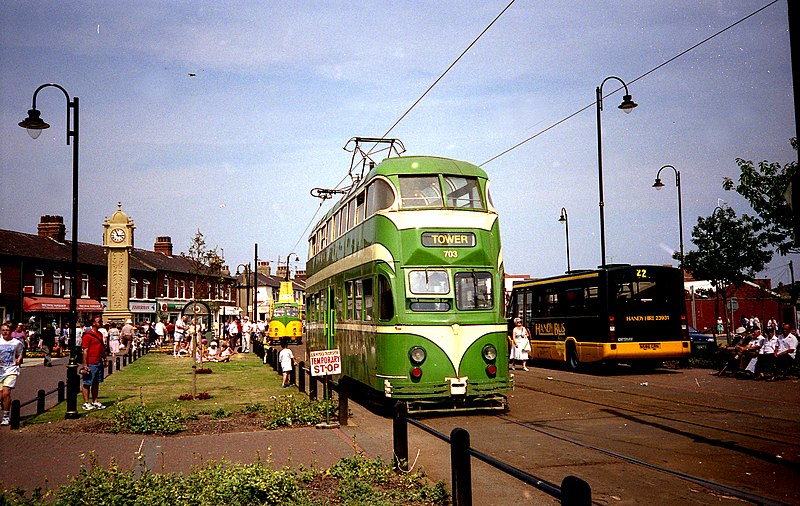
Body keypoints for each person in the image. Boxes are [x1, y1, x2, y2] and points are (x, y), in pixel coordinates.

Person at [80, 316, 107, 411]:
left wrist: (105, 359)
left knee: (96, 382)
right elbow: (85, 351)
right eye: (99, 321)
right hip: (91, 362)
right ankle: (86, 402)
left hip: (98, 361)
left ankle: (95, 400)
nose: (101, 323)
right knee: (87, 383)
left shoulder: (99, 334)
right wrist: (86, 365)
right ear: (93, 323)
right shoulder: (87, 335)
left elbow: (102, 348)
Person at [0, 323, 25, 426]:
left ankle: (6, 416)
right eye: (3, 330)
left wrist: (18, 360)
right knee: (1, 395)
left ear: (11, 331)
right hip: (0, 370)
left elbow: (20, 353)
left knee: (6, 393)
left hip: (11, 369)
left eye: (7, 330)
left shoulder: (16, 343)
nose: (5, 332)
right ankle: (3, 403)